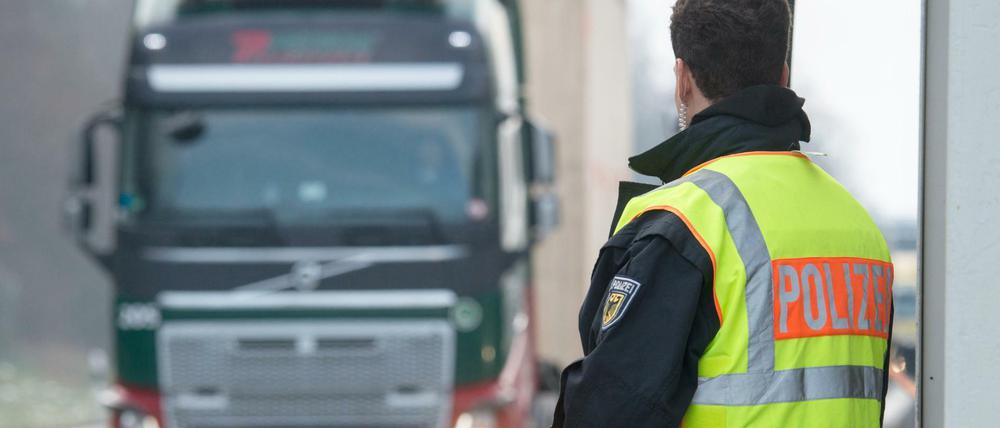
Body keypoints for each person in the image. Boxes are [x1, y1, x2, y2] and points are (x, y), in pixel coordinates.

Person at [551, 0, 894, 426]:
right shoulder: (860, 230)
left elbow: (609, 411)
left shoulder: (685, 224)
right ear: (783, 76)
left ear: (682, 80)